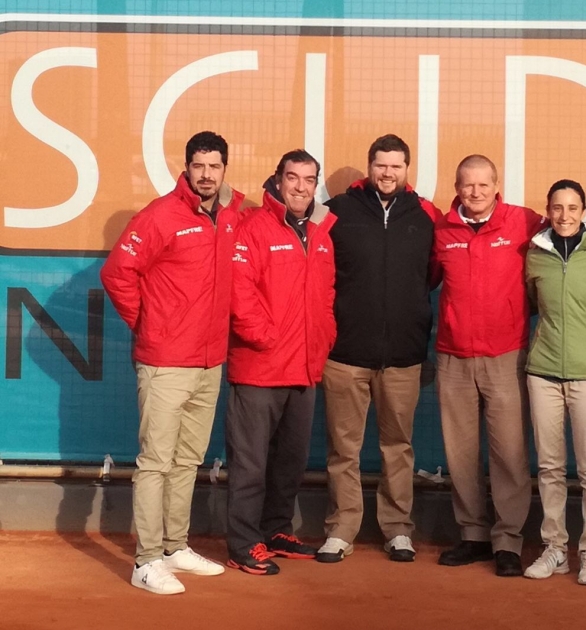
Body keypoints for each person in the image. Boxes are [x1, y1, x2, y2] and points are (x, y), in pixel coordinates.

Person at [431, 155, 586, 577]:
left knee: (509, 453)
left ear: (496, 186)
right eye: (467, 185)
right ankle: (473, 534)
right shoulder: (441, 231)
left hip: (507, 354)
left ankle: (507, 540)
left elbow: (580, 226)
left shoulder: (523, 223)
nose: (475, 193)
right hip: (453, 355)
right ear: (456, 187)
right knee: (461, 453)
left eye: (483, 185)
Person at [100, 131, 246, 595]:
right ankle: (145, 561)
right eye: (199, 166)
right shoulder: (160, 215)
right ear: (186, 168)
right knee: (156, 462)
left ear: (225, 168)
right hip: (165, 360)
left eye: (214, 166)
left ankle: (173, 546)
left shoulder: (231, 217)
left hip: (209, 362)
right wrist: (150, 325)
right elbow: (117, 273)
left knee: (188, 461)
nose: (206, 174)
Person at [317, 134, 440, 564]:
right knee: (343, 450)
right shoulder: (337, 211)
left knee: (398, 447)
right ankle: (341, 529)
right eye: (381, 165)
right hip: (346, 355)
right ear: (369, 167)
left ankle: (397, 529)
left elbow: (435, 272)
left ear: (408, 169)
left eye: (396, 166)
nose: (388, 173)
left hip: (404, 357)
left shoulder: (426, 215)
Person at [224, 150, 336, 575]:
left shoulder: (323, 234)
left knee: (289, 462)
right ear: (278, 180)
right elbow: (240, 291)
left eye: (309, 179)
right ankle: (241, 544)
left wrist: (322, 339)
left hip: (305, 367)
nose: (301, 187)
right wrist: (267, 339)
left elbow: (325, 296)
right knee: (250, 463)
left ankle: (275, 530)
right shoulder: (253, 226)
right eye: (293, 178)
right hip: (259, 366)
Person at [522, 179, 586, 587]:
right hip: (542, 372)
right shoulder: (534, 255)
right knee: (549, 467)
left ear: (584, 211)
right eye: (557, 207)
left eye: (572, 208)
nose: (564, 216)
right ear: (548, 209)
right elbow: (530, 304)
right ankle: (555, 549)